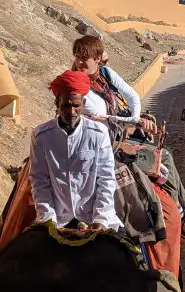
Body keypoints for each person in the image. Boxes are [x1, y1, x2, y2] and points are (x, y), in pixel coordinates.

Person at [72, 36, 185, 235]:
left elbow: (132, 96)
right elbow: (97, 117)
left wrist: (135, 119)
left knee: (161, 151)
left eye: (86, 57)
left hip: (119, 134)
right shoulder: (76, 85)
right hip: (102, 144)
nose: (80, 62)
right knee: (164, 157)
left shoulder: (105, 75)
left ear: (98, 59)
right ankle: (184, 212)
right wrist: (134, 123)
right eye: (78, 57)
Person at [30, 69, 123, 233]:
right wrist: (48, 220)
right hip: (57, 219)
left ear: (84, 104)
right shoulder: (41, 136)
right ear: (57, 104)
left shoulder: (98, 134)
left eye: (76, 105)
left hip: (93, 217)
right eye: (66, 105)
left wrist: (100, 218)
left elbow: (106, 179)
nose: (71, 112)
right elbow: (39, 181)